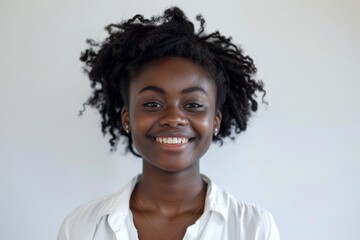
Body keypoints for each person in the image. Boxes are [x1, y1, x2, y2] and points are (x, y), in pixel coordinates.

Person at [58, 7, 280, 240]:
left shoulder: (254, 229)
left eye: (193, 104)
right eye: (153, 104)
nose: (174, 118)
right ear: (127, 119)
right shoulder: (81, 228)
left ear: (215, 121)